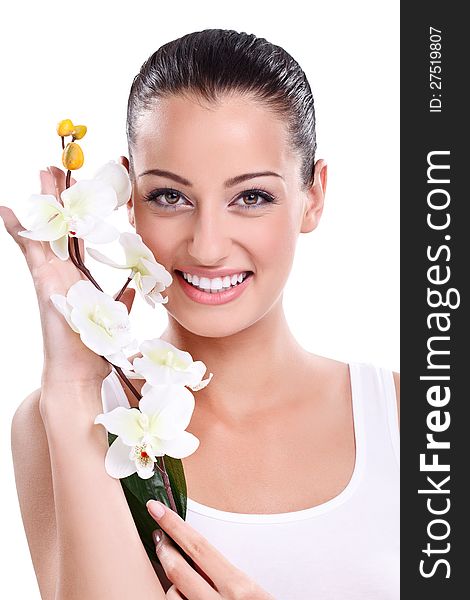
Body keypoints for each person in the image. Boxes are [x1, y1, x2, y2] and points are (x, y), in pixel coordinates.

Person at [1, 28, 399, 599]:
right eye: (170, 196)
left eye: (252, 196)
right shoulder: (59, 420)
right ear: (128, 198)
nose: (208, 245)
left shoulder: (419, 419)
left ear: (313, 194)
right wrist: (70, 388)